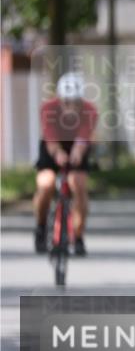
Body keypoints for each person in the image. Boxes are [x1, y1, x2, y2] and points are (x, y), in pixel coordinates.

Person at [33, 72, 97, 256]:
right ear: (59, 99)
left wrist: (77, 152)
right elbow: (50, 138)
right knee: (46, 184)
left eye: (75, 102)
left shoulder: (90, 110)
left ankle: (78, 236)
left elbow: (84, 137)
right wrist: (57, 153)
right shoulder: (48, 108)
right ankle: (41, 226)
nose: (70, 107)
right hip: (52, 146)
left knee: (78, 184)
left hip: (76, 146)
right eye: (66, 102)